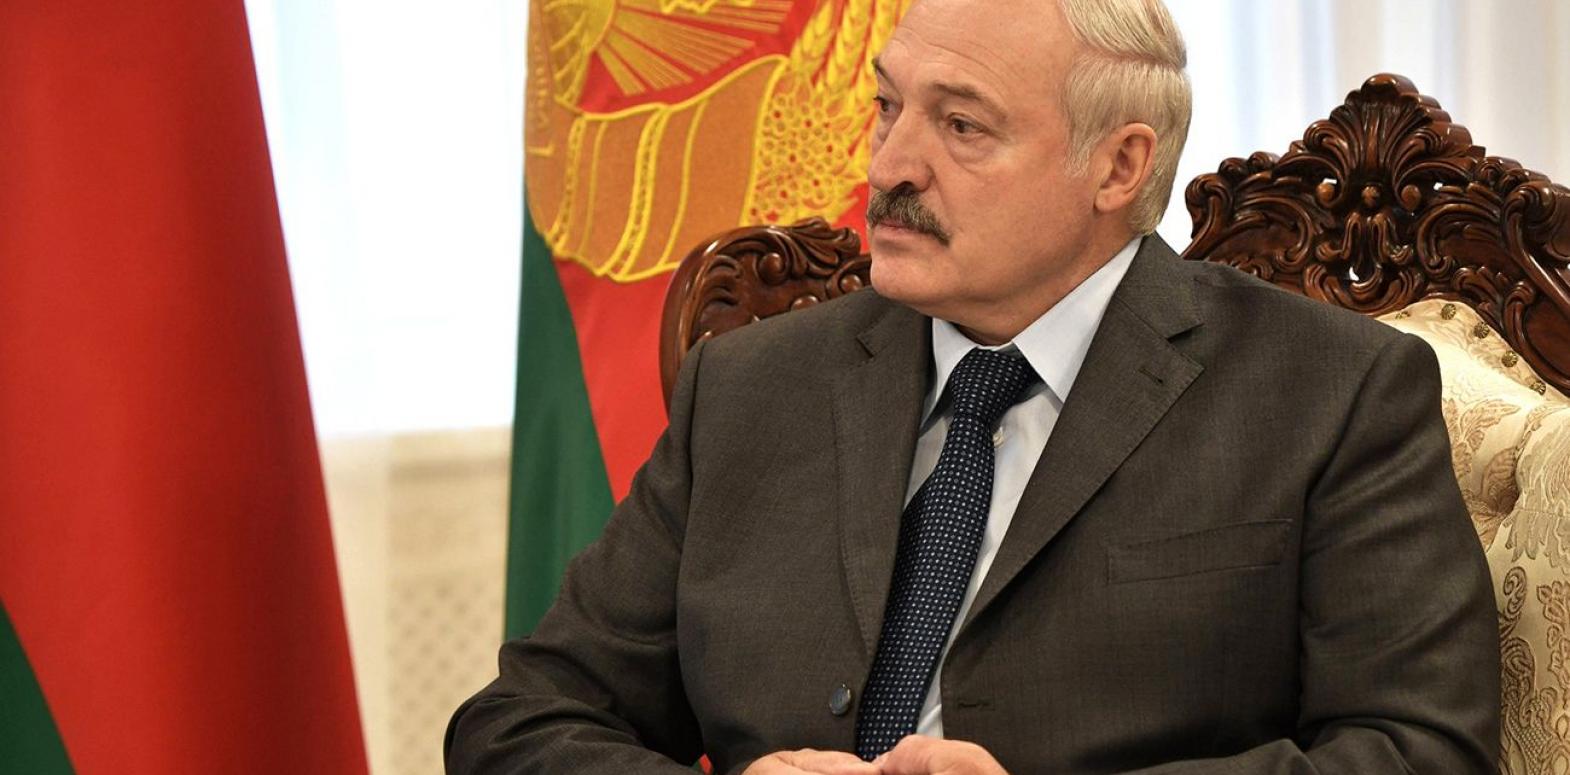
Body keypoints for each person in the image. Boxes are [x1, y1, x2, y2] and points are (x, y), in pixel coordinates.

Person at [446, 0, 1501, 771]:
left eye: (961, 126)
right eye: (887, 107)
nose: (888, 166)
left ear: (1118, 167)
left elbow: (1421, 750)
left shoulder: (1329, 394)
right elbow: (520, 720)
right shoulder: (752, 387)